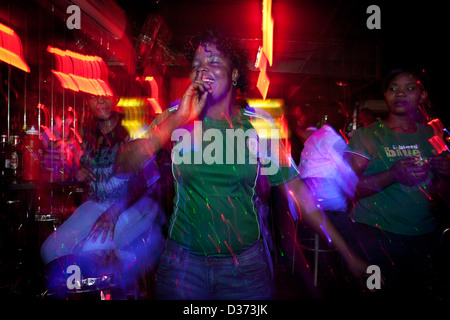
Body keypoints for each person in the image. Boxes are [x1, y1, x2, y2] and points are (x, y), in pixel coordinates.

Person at [119, 29, 369, 300]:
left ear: (235, 74)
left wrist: (348, 253)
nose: (203, 70)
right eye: (195, 65)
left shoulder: (259, 126)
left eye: (214, 62)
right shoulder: (175, 118)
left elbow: (300, 196)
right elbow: (122, 165)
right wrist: (173, 123)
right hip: (183, 266)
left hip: (244, 268)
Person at [40, 94, 166, 298]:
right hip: (97, 205)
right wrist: (75, 171)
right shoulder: (84, 133)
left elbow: (151, 182)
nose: (99, 100)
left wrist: (115, 211)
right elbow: (66, 162)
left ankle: (128, 265)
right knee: (51, 250)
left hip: (135, 206)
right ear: (86, 103)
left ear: (115, 98)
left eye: (104, 95)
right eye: (93, 96)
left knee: (91, 251)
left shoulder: (134, 130)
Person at [345, 68, 450, 297]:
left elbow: (443, 192)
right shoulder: (368, 135)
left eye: (409, 89)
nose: (400, 94)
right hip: (375, 237)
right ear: (385, 95)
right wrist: (392, 175)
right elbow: (349, 189)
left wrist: (446, 173)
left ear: (421, 96)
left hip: (422, 238)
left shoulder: (432, 136)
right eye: (393, 88)